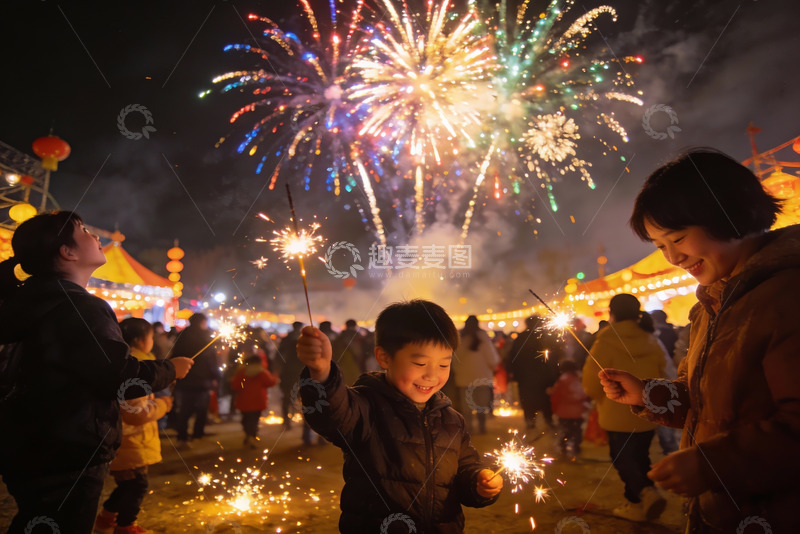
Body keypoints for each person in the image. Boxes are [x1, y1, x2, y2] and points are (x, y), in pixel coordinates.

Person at [600, 148, 800, 533]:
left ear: (725, 215)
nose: (672, 257)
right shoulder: (711, 305)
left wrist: (712, 465)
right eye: (660, 246)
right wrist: (648, 395)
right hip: (722, 513)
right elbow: (711, 403)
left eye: (677, 238)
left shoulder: (786, 296)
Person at [0, 211, 193, 534]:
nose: (96, 238)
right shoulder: (82, 307)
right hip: (69, 445)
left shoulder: (24, 301)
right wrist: (169, 369)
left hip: (24, 441)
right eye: (85, 231)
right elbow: (118, 376)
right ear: (67, 252)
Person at [296, 299, 503, 533]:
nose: (431, 375)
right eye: (420, 362)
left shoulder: (452, 420)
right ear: (384, 358)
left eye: (444, 365)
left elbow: (464, 468)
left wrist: (478, 482)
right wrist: (322, 373)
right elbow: (333, 415)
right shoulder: (366, 407)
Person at [582, 293, 668, 522]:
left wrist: (596, 397)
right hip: (648, 410)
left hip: (616, 411)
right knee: (640, 456)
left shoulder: (606, 340)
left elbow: (591, 380)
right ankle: (636, 503)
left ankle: (645, 491)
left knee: (622, 458)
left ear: (613, 313)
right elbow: (666, 371)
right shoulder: (652, 339)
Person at [94, 318, 174, 534]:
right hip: (130, 440)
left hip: (130, 440)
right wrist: (163, 405)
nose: (152, 341)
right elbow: (135, 412)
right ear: (140, 340)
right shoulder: (136, 366)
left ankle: (106, 518)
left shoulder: (127, 361)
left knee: (128, 485)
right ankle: (126, 526)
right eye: (150, 337)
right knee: (137, 485)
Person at [169, 313, 221, 449]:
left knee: (185, 410)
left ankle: (183, 437)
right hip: (202, 380)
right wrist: (215, 377)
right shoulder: (205, 337)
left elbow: (175, 355)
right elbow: (211, 360)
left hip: (184, 377)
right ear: (201, 322)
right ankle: (197, 434)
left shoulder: (183, 336)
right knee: (201, 409)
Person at [506, 316, 561, 432]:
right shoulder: (545, 337)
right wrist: (554, 377)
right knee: (545, 400)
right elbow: (553, 358)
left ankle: (530, 420)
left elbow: (512, 358)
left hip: (525, 377)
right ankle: (548, 420)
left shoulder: (520, 338)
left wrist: (514, 374)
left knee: (528, 400)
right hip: (543, 376)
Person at [453, 316, 498, 435]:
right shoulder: (483, 337)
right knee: (481, 405)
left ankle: (469, 429)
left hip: (464, 378)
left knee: (466, 406)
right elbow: (492, 359)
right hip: (482, 378)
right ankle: (482, 428)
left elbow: (454, 359)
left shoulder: (460, 337)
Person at [231, 354, 279, 448]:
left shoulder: (241, 372)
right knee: (254, 420)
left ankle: (248, 434)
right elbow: (270, 383)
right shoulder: (262, 373)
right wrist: (275, 377)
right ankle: (252, 436)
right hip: (258, 401)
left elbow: (234, 385)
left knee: (245, 419)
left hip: (244, 401)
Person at [549, 360, 588, 459]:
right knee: (577, 430)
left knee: (565, 431)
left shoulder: (562, 380)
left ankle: (563, 448)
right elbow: (584, 394)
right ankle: (576, 447)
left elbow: (556, 396)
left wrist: (554, 408)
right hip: (577, 412)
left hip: (564, 412)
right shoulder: (578, 379)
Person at [332, 319, 365, 385]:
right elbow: (357, 348)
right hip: (352, 359)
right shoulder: (356, 334)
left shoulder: (341, 334)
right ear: (355, 325)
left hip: (341, 359)